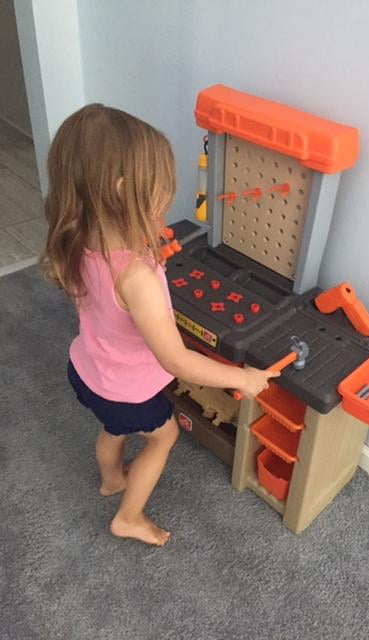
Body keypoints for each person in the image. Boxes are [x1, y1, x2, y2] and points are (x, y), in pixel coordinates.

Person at [40, 104, 279, 546]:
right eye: (162, 187)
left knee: (112, 428)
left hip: (87, 372)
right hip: (126, 391)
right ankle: (128, 516)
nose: (168, 197)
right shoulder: (137, 277)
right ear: (122, 191)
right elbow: (178, 361)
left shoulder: (79, 238)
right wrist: (243, 379)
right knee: (162, 437)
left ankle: (111, 480)